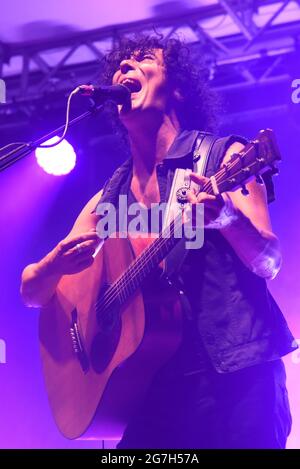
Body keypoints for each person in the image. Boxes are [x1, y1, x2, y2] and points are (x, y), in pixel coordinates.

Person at [21, 35, 296, 449]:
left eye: (143, 59)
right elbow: (31, 291)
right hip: (151, 387)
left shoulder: (224, 157)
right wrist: (54, 263)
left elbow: (269, 261)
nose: (125, 68)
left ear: (178, 88)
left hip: (234, 378)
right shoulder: (108, 198)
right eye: (120, 64)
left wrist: (226, 217)